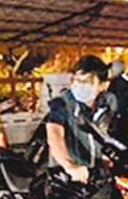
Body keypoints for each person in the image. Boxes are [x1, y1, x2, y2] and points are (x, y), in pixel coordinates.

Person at [45, 55, 113, 184]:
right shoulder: (62, 103)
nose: (81, 86)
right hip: (66, 180)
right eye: (77, 80)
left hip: (94, 178)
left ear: (103, 86)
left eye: (88, 82)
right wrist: (69, 166)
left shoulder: (103, 107)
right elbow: (54, 135)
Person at [107, 60, 128, 144]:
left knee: (117, 136)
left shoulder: (114, 84)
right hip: (124, 114)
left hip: (116, 114)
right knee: (123, 136)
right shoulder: (127, 84)